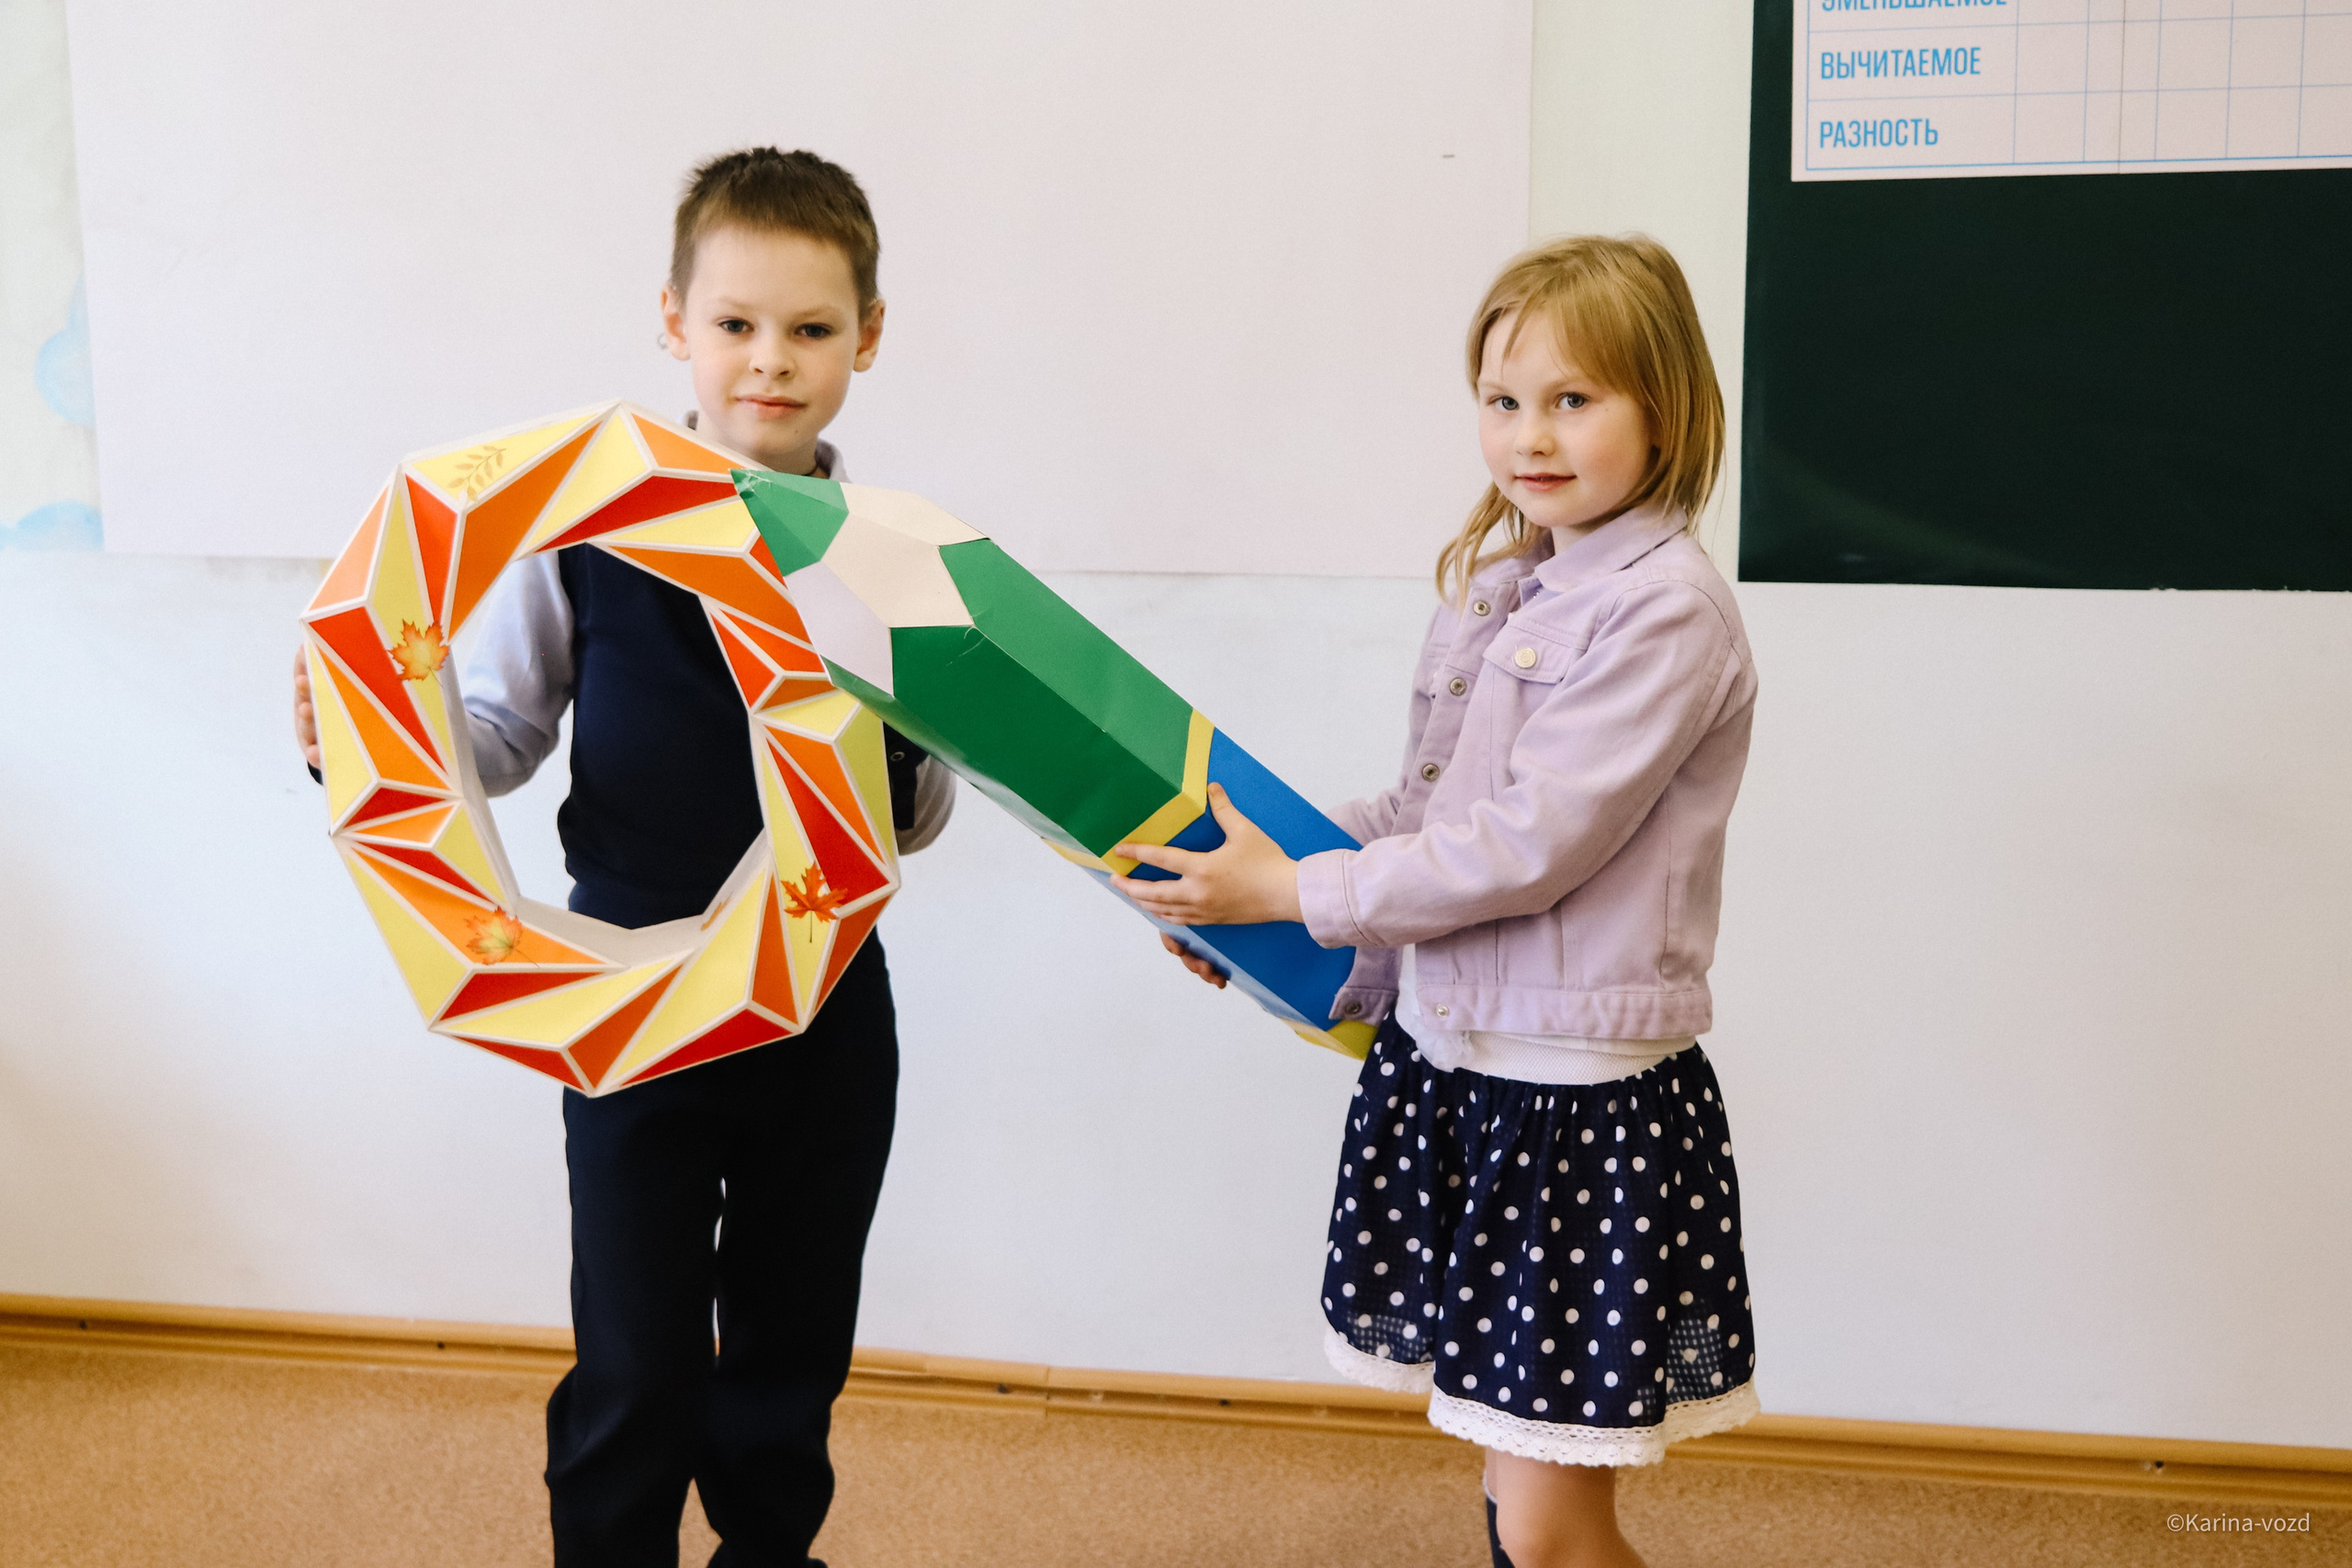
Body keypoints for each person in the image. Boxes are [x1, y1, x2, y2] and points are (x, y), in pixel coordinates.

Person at [293, 147, 954, 1568]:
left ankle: (769, 1553)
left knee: (789, 1341)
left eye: (811, 329)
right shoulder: (581, 528)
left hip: (826, 995)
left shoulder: (893, 560)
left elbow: (924, 808)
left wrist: (896, 760)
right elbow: (502, 730)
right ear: (674, 323)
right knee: (639, 1351)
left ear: (869, 337)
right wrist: (362, 739)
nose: (769, 362)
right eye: (734, 325)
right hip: (623, 987)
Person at [1112, 235, 1758, 1568]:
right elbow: (1426, 822)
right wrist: (1258, 914)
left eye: (1575, 400)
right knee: (1508, 1479)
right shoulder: (1514, 585)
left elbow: (1528, 846)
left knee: (1550, 1522)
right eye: (1504, 398)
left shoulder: (1665, 613)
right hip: (1463, 1068)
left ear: (1668, 409)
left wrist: (1295, 886)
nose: (1531, 434)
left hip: (1574, 1108)